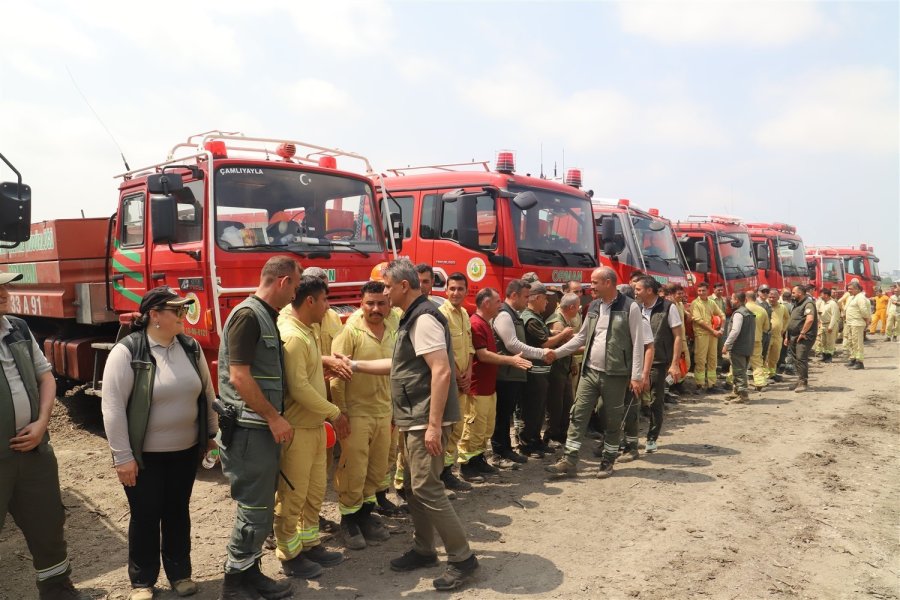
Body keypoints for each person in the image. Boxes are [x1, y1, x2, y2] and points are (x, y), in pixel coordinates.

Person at [351, 257, 478, 591]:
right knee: (413, 486)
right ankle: (424, 549)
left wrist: (434, 425)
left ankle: (462, 559)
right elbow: (398, 365)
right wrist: (353, 364)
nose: (384, 292)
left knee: (426, 487)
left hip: (425, 418)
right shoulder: (412, 317)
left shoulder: (423, 319)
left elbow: (441, 371)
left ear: (403, 286)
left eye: (388, 286)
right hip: (415, 416)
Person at [102, 287, 218, 600]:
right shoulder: (128, 352)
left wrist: (211, 437)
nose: (184, 315)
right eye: (177, 310)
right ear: (154, 315)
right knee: (146, 515)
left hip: (183, 453)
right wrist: (122, 457)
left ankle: (180, 574)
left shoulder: (190, 347)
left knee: (178, 512)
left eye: (184, 309)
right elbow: (112, 408)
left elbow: (207, 395)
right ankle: (143, 582)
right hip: (144, 458)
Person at [0, 272, 87, 600]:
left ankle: (57, 590)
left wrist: (42, 423)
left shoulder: (17, 328)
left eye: (5, 286)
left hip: (34, 451)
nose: (4, 292)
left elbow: (46, 378)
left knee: (48, 524)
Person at [217, 256, 300, 600]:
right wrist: (273, 416)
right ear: (282, 281)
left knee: (261, 508)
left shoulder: (266, 316)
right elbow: (239, 376)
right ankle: (235, 584)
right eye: (295, 284)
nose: (296, 292)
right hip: (250, 431)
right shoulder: (249, 316)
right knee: (253, 511)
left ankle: (249, 573)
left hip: (259, 432)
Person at [274, 276, 350, 579]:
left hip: (314, 427)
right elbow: (299, 388)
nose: (327, 307)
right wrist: (334, 412)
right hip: (298, 430)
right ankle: (289, 555)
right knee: (293, 495)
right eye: (325, 300)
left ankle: (309, 543)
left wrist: (327, 362)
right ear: (310, 301)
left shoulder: (305, 331)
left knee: (314, 491)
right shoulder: (293, 336)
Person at [544, 267, 645, 479]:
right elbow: (581, 338)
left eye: (595, 282)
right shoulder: (594, 306)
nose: (591, 286)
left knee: (612, 418)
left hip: (615, 374)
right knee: (578, 413)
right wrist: (557, 353)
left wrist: (636, 376)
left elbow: (638, 344)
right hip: (590, 372)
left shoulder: (630, 307)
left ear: (608, 283)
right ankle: (569, 460)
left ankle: (608, 461)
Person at [330, 281, 397, 549]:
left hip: (384, 412)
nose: (375, 308)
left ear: (389, 304)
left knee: (377, 468)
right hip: (356, 414)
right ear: (361, 303)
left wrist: (394, 409)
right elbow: (336, 378)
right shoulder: (350, 333)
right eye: (370, 303)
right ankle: (349, 520)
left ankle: (366, 516)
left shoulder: (393, 329)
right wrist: (341, 413)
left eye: (381, 303)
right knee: (353, 470)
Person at [457, 288, 531, 480]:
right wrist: (510, 360)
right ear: (486, 304)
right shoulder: (476, 324)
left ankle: (479, 460)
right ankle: (467, 466)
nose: (501, 305)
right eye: (498, 301)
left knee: (485, 428)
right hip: (478, 387)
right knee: (473, 428)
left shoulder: (485, 323)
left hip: (488, 387)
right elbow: (482, 355)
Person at [491, 280, 553, 465]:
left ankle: (506, 450)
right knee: (502, 416)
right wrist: (541, 353)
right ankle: (499, 452)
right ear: (514, 295)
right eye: (526, 296)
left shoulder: (513, 315)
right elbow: (512, 344)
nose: (528, 301)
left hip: (513, 373)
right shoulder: (504, 315)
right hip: (505, 374)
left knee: (506, 413)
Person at [519, 281, 572, 458]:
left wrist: (556, 334)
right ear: (537, 298)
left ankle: (536, 441)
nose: (547, 303)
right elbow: (544, 342)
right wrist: (563, 335)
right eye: (545, 299)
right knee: (532, 410)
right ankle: (527, 444)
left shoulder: (536, 317)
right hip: (533, 373)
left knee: (540, 409)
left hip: (541, 372)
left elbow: (546, 335)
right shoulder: (530, 318)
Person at [633, 277, 683, 451]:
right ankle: (629, 440)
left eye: (638, 289)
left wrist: (675, 363)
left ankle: (651, 438)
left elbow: (678, 336)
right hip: (637, 360)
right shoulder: (636, 308)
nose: (635, 292)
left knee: (655, 400)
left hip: (659, 361)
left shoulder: (669, 308)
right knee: (631, 399)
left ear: (649, 290)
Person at [437, 273, 476, 491]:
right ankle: (439, 473)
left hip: (462, 381)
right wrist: (457, 374)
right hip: (448, 381)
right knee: (446, 427)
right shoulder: (440, 315)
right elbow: (442, 350)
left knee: (458, 427)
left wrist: (469, 372)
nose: (456, 293)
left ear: (466, 291)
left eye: (460, 289)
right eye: (452, 288)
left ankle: (447, 471)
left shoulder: (464, 314)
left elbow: (469, 347)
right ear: (445, 290)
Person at [544, 292, 581, 449]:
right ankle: (551, 434)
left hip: (564, 367)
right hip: (556, 369)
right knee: (556, 404)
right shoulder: (557, 323)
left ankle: (561, 433)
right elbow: (568, 348)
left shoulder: (564, 320)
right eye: (577, 307)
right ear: (571, 307)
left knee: (566, 402)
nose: (578, 310)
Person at [691, 282, 725, 393]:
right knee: (700, 360)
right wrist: (714, 331)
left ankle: (712, 384)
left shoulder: (711, 302)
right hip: (702, 335)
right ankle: (699, 385)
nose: (701, 293)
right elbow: (699, 321)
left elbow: (722, 315)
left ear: (708, 291)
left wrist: (721, 329)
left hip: (713, 335)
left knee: (712, 359)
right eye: (699, 291)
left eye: (703, 290)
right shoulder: (695, 303)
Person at [722, 292, 755, 404]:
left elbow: (735, 331)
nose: (731, 301)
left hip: (738, 347)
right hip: (748, 347)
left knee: (739, 371)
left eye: (732, 298)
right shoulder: (749, 313)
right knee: (742, 370)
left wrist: (726, 344)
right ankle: (737, 392)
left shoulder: (738, 314)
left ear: (737, 300)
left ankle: (743, 396)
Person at [785, 285, 818, 392]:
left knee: (801, 358)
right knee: (796, 359)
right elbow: (791, 321)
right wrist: (787, 336)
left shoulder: (808, 304)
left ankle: (803, 383)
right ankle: (799, 380)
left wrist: (803, 332)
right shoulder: (796, 304)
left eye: (794, 292)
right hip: (793, 336)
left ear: (800, 293)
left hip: (804, 337)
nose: (792, 294)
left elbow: (809, 319)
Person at [744, 291, 771, 391]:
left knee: (738, 362)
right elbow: (767, 327)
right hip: (756, 340)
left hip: (742, 341)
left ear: (746, 298)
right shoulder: (762, 310)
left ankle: (730, 382)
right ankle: (760, 383)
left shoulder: (742, 309)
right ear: (756, 298)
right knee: (757, 362)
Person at [843, 281, 871, 369]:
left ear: (857, 289)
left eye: (851, 289)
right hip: (850, 323)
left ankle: (859, 362)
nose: (849, 290)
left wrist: (867, 320)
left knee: (858, 343)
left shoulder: (860, 297)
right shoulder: (852, 297)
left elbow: (864, 310)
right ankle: (853, 358)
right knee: (851, 342)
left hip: (857, 323)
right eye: (848, 289)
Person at [765, 288, 790, 380]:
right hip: (767, 336)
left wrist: (784, 329)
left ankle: (772, 373)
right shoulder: (765, 307)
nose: (771, 299)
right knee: (765, 356)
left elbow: (787, 318)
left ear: (778, 297)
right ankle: (764, 374)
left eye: (773, 297)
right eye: (770, 297)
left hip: (778, 336)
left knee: (775, 356)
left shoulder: (782, 307)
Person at [816, 288, 839, 362]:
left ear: (826, 295)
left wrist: (831, 326)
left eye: (821, 294)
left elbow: (834, 316)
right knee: (823, 341)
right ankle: (824, 356)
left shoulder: (832, 303)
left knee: (830, 341)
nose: (820, 296)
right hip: (822, 324)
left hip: (829, 324)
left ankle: (829, 357)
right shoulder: (822, 303)